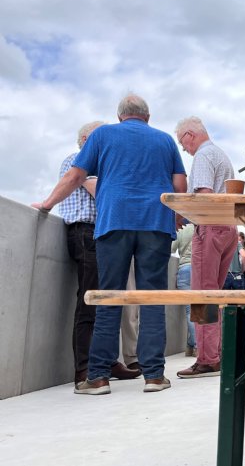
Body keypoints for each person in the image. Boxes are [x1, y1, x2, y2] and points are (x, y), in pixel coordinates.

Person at [34, 93, 187, 394]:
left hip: (113, 222)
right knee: (152, 298)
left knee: (109, 297)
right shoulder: (165, 140)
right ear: (148, 117)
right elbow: (179, 184)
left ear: (120, 116)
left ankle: (99, 377)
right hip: (155, 224)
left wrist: (48, 203)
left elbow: (76, 175)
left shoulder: (103, 134)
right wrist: (175, 217)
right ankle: (154, 376)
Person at [45, 121, 140, 387]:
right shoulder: (77, 160)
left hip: (100, 235)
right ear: (87, 138)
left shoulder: (96, 165)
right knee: (89, 303)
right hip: (85, 233)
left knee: (106, 303)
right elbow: (102, 192)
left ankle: (107, 362)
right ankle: (85, 371)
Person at [174, 116, 238, 379]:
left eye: (182, 143)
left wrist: (182, 212)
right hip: (228, 228)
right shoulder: (220, 155)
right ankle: (214, 353)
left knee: (202, 296)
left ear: (190, 135)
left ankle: (208, 358)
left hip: (210, 227)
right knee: (214, 296)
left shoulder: (202, 156)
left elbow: (203, 193)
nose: (184, 149)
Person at [172, 222, 196, 357]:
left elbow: (171, 248)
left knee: (189, 310)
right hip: (201, 269)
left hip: (184, 269)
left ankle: (193, 345)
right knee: (202, 309)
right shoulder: (204, 226)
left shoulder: (183, 229)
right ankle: (194, 345)